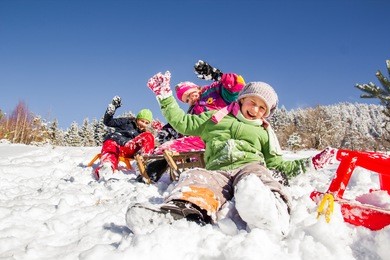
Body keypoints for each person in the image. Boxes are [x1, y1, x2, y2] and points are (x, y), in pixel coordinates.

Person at [126, 71, 338, 236]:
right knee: (196, 177)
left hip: (250, 166)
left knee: (257, 179)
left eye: (262, 108)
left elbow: (277, 164)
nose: (255, 110)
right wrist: (165, 96)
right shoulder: (215, 118)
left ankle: (271, 212)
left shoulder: (264, 131)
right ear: (242, 100)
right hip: (218, 170)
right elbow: (182, 122)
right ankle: (179, 212)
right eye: (252, 102)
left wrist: (311, 163)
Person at [143, 61, 246, 183]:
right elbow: (185, 125)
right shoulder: (193, 111)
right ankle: (149, 175)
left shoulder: (214, 91)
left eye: (190, 93)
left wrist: (217, 75)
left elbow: (237, 85)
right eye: (186, 99)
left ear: (196, 88)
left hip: (222, 135)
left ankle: (150, 175)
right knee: (167, 147)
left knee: (170, 147)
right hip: (201, 139)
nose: (190, 99)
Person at [94, 96, 155, 180]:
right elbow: (108, 122)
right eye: (142, 121)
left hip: (129, 148)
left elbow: (148, 144)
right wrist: (112, 109)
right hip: (116, 145)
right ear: (137, 119)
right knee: (110, 142)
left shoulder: (143, 133)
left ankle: (145, 165)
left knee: (149, 136)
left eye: (146, 123)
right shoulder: (126, 121)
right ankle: (107, 166)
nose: (143, 124)